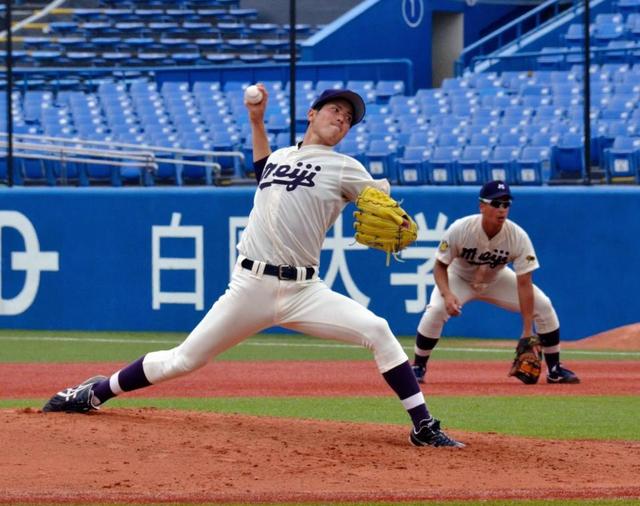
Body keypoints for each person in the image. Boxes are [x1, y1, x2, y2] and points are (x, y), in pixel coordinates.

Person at [43, 85, 464, 448]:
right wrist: (256, 120)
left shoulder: (346, 167)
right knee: (183, 360)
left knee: (378, 330)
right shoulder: (280, 156)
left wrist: (401, 222)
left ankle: (423, 426)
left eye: (350, 117)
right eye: (336, 109)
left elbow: (386, 210)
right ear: (313, 114)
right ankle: (94, 393)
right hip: (250, 286)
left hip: (304, 292)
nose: (343, 118)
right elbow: (264, 168)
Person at [412, 180, 579, 385]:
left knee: (543, 306)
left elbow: (524, 283)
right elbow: (439, 266)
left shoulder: (517, 236)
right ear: (482, 206)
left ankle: (554, 369)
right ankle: (418, 366)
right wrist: (447, 294)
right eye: (496, 204)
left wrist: (527, 331)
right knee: (436, 310)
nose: (502, 209)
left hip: (496, 279)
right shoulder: (461, 229)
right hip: (459, 278)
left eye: (506, 204)